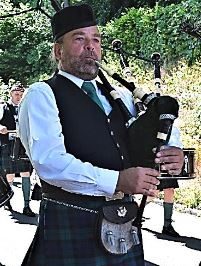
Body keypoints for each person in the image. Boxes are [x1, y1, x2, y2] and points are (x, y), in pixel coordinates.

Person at [18, 4, 184, 266]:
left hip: (123, 222)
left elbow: (155, 129)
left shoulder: (120, 96)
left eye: (96, 39)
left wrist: (173, 152)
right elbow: (50, 163)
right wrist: (118, 180)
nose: (90, 46)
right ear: (58, 50)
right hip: (71, 219)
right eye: (79, 38)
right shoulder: (43, 94)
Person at [0, 84, 36, 217]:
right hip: (7, 145)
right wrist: (1, 127)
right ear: (11, 94)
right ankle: (8, 202)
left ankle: (27, 206)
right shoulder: (3, 107)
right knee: (9, 174)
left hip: (22, 145)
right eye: (16, 94)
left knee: (26, 173)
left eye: (21, 95)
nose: (19, 97)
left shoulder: (26, 109)